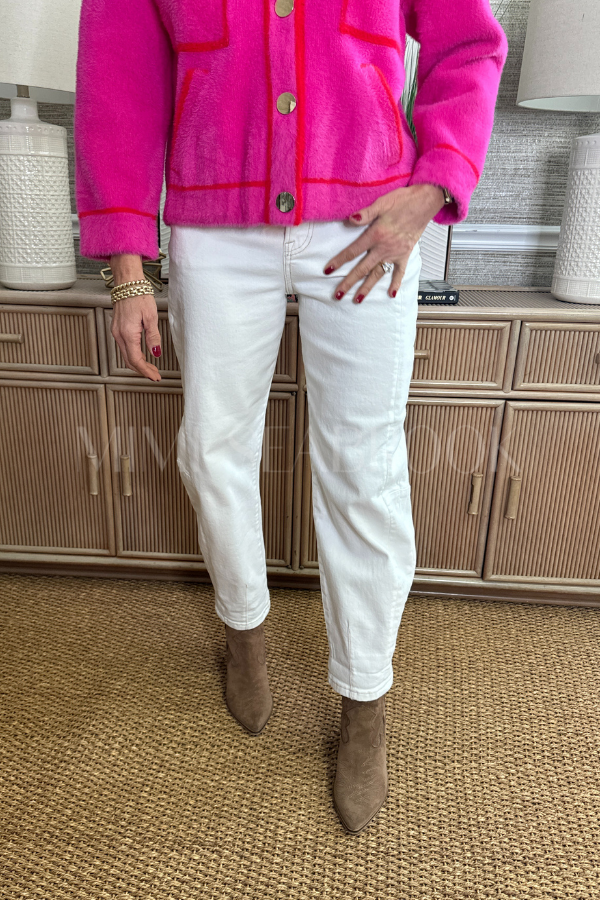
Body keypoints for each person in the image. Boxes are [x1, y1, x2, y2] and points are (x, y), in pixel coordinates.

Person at [73, 0, 508, 834]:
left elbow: (469, 45)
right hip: (214, 227)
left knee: (364, 465)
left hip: (368, 219)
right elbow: (117, 83)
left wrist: (434, 183)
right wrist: (128, 267)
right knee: (211, 448)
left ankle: (365, 701)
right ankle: (244, 631)